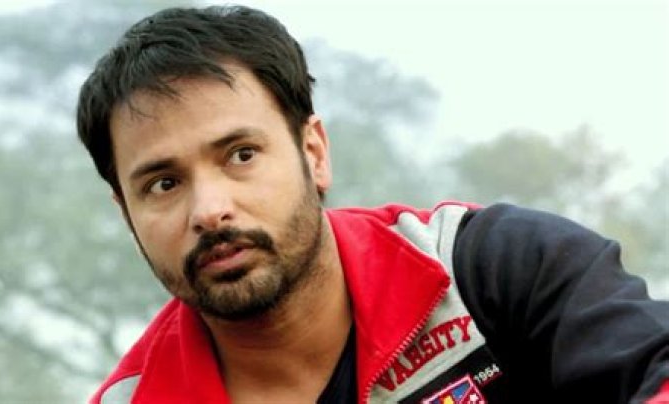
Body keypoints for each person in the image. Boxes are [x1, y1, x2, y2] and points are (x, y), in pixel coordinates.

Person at [76, 5, 669, 404]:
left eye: (241, 155)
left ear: (313, 153)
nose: (209, 210)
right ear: (126, 212)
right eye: (163, 184)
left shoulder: (493, 269)